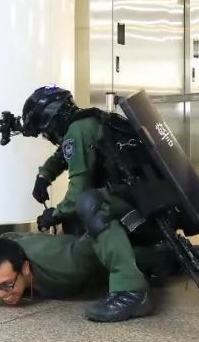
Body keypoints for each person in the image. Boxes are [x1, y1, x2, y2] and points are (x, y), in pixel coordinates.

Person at [17, 85, 155, 321]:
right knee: (85, 208)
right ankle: (134, 265)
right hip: (145, 195)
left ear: (51, 118)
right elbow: (64, 154)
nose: (46, 136)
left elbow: (77, 193)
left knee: (89, 204)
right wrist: (44, 175)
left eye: (43, 131)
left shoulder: (77, 130)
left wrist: (55, 214)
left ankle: (130, 292)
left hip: (136, 201)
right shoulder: (89, 121)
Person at [0, 233, 199, 310]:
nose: (1, 294)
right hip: (93, 270)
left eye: (6, 285)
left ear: (25, 268)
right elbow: (8, 237)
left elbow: (101, 237)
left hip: (127, 259)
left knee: (188, 259)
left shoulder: (68, 263)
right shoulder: (2, 261)